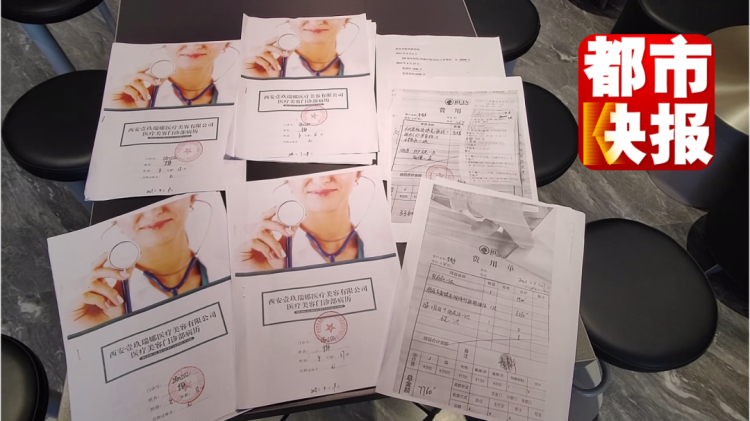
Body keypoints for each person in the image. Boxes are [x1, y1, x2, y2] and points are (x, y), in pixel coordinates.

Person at [69, 195, 219, 331]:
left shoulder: (228, 266)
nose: (152, 212)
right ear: (115, 219)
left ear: (192, 197)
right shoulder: (96, 303)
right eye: (131, 201)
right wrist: (101, 333)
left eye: (166, 193)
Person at [236, 172, 380, 272]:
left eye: (338, 165)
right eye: (303, 167)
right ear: (287, 179)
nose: (321, 179)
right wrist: (261, 279)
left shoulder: (383, 244)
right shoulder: (256, 253)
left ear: (358, 173)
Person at [109, 42, 233, 108]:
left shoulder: (236, 95)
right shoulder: (125, 93)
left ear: (227, 43)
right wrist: (126, 115)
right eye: (180, 35)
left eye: (209, 36)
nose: (194, 46)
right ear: (164, 43)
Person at [244, 18, 353, 78]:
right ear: (287, 19)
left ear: (347, 19)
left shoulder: (360, 70)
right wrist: (261, 84)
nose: (315, 22)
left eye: (328, 11)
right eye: (303, 11)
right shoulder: (260, 67)